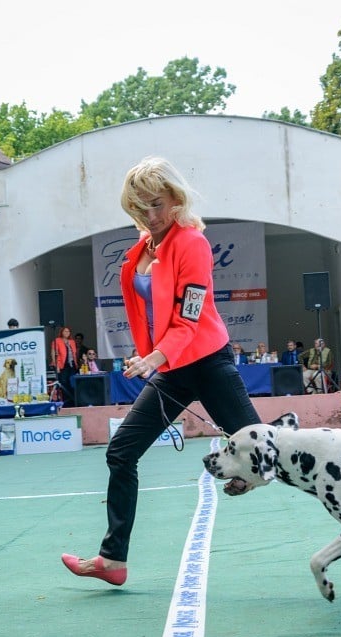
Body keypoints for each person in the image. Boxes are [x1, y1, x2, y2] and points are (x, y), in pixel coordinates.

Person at [62, 156, 261, 586]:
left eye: (157, 205)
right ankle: (112, 561)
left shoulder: (192, 243)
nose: (150, 216)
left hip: (206, 360)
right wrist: (156, 357)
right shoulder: (142, 249)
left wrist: (154, 358)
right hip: (172, 368)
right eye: (139, 208)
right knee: (121, 452)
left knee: (268, 452)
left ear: (176, 198)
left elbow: (190, 316)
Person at [52, 326, 79, 403]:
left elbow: (74, 354)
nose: (67, 333)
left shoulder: (72, 341)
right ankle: (66, 400)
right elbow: (53, 353)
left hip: (72, 365)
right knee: (63, 382)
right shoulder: (57, 340)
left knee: (72, 382)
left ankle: (73, 399)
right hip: (62, 365)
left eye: (68, 331)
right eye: (65, 331)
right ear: (62, 332)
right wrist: (56, 364)